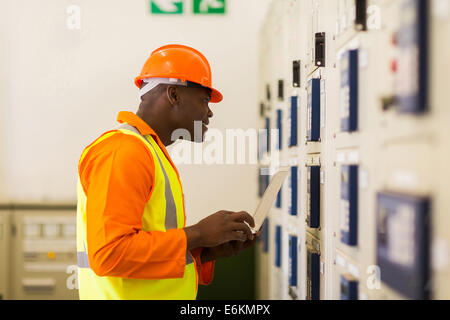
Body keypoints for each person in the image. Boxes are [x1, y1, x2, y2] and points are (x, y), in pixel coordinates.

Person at [76, 44, 258, 300]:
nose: (209, 111)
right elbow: (110, 254)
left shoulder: (149, 150)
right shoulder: (124, 151)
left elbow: (147, 248)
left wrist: (205, 249)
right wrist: (197, 233)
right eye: (204, 99)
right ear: (174, 94)